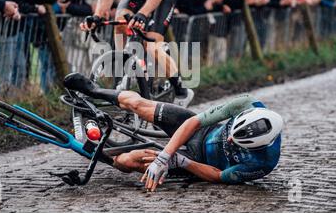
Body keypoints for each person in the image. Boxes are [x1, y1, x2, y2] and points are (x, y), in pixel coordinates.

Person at [65, 73, 283, 192]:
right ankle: (95, 90)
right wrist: (164, 155)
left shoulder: (263, 163)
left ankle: (102, 156)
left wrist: (181, 161)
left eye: (237, 142)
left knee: (130, 161)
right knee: (140, 105)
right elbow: (196, 121)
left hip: (197, 163)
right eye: (232, 131)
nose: (229, 139)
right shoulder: (247, 103)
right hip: (201, 131)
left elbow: (218, 176)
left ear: (261, 145)